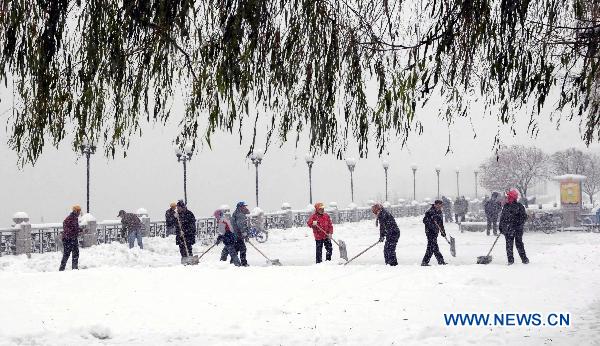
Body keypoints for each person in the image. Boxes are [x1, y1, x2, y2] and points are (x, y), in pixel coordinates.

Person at [499, 189, 529, 265]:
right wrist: (501, 227)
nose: (507, 198)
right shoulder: (506, 206)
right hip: (508, 229)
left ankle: (524, 259)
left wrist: (517, 223)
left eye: (509, 197)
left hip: (517, 229)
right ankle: (510, 260)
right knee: (509, 245)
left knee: (519, 244)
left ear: (513, 198)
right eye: (508, 197)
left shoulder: (519, 206)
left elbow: (524, 217)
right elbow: (502, 218)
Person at [421, 200, 447, 266]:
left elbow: (440, 223)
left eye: (440, 205)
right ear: (435, 205)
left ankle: (440, 261)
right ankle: (426, 261)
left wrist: (443, 232)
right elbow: (424, 221)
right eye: (438, 205)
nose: (439, 206)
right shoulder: (430, 212)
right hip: (429, 231)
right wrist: (431, 222)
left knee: (433, 246)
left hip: (435, 231)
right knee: (432, 246)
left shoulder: (439, 212)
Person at [59, 205, 83, 271]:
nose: (79, 213)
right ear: (76, 211)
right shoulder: (70, 218)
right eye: (79, 211)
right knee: (68, 254)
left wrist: (81, 230)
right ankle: (62, 268)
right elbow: (67, 228)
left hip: (71, 238)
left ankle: (73, 268)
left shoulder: (74, 218)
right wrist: (74, 232)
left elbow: (75, 228)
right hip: (68, 239)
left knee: (74, 253)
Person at [231, 201, 250, 266]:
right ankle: (243, 263)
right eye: (244, 206)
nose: (245, 207)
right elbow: (241, 225)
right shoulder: (240, 214)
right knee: (243, 249)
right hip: (238, 235)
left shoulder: (236, 213)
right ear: (240, 207)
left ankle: (233, 262)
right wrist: (244, 234)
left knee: (236, 249)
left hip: (235, 235)